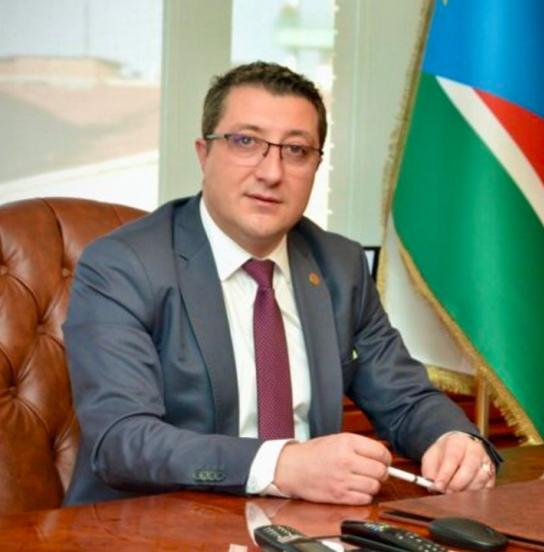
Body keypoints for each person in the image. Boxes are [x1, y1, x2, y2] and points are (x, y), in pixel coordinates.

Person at [63, 61, 499, 507]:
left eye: (296, 150)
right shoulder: (122, 266)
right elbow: (122, 440)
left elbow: (405, 398)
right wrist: (280, 466)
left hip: (307, 525)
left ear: (316, 165)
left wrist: (452, 439)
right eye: (246, 142)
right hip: (158, 524)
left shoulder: (340, 265)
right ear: (204, 153)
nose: (271, 173)